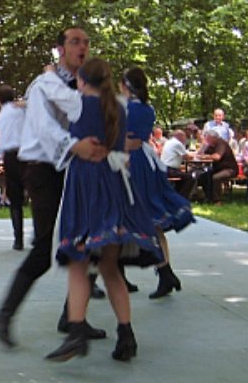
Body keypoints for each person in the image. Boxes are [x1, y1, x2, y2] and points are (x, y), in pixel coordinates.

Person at [0, 27, 108, 348]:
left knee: (92, 241)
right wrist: (75, 146)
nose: (82, 47)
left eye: (86, 42)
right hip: (45, 170)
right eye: (74, 42)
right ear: (60, 49)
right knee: (45, 248)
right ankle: (3, 315)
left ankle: (74, 318)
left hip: (80, 171)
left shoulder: (88, 88)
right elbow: (43, 127)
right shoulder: (44, 85)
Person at [45, 57, 162, 363]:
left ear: (82, 81)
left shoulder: (78, 105)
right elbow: (123, 150)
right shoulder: (118, 107)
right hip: (114, 185)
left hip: (86, 186)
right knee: (110, 267)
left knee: (77, 260)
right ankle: (126, 335)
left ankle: (76, 331)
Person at [119, 67, 194, 300]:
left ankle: (159, 273)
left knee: (127, 218)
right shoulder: (147, 108)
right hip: (145, 162)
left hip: (129, 163)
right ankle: (163, 273)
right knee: (148, 220)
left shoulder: (127, 108)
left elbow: (124, 140)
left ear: (127, 85)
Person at [0, 85, 25, 250]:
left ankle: (18, 238)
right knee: (36, 194)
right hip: (27, 153)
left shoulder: (1, 116)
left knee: (15, 198)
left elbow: (3, 138)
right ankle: (40, 236)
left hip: (10, 156)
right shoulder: (21, 111)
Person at [196, 129, 238, 204]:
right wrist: (203, 147)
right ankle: (208, 197)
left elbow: (217, 157)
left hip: (229, 169)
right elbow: (201, 154)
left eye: (208, 138)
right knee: (203, 176)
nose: (206, 140)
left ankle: (217, 200)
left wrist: (206, 156)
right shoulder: (211, 145)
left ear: (213, 137)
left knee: (216, 177)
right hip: (217, 169)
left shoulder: (221, 143)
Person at [160, 130, 196, 198]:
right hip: (169, 170)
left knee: (184, 176)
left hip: (164, 168)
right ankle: (182, 197)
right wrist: (195, 155)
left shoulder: (169, 142)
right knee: (190, 178)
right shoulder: (177, 144)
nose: (185, 139)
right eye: (184, 136)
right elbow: (187, 157)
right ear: (180, 136)